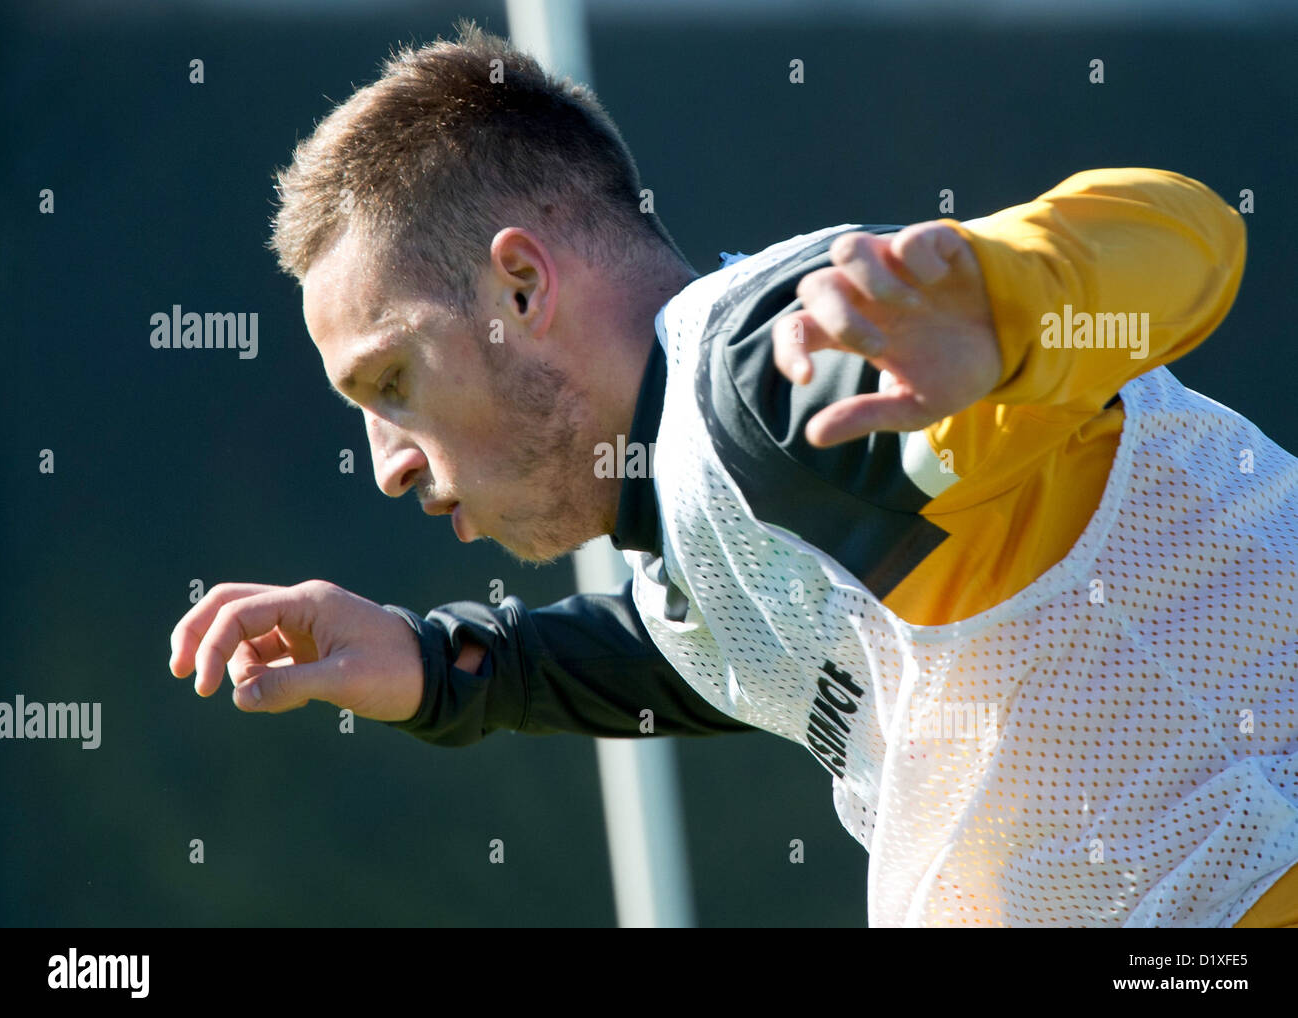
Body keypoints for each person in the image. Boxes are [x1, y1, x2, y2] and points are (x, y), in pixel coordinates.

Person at [167, 21, 1298, 927]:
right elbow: (690, 643)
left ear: (520, 288)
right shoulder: (705, 492)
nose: (385, 466)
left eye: (391, 380)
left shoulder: (771, 382)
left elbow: (1190, 233)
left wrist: (1002, 311)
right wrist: (438, 663)